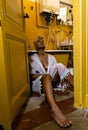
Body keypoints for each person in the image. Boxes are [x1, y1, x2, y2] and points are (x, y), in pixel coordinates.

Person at [30, 36, 74, 128]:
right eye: (38, 40)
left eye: (42, 40)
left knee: (60, 65)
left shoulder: (51, 57)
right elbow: (31, 75)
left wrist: (58, 84)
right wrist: (44, 76)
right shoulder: (32, 58)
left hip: (51, 82)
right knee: (46, 76)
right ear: (35, 45)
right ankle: (54, 110)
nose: (41, 41)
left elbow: (57, 72)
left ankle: (80, 90)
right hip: (39, 83)